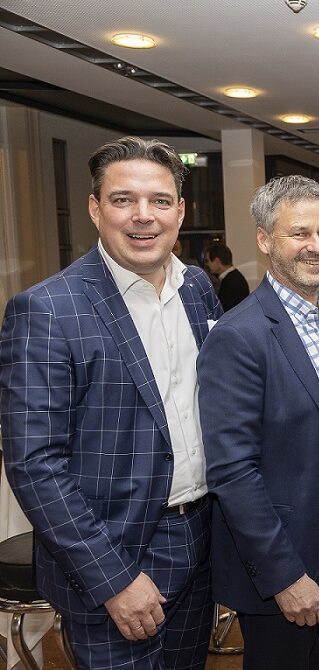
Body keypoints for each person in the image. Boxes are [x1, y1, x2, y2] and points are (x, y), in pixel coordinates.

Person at [0, 136, 221, 669]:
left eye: (160, 201)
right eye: (123, 199)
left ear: (180, 211)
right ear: (95, 209)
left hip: (200, 539)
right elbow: (35, 464)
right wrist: (113, 579)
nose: (144, 215)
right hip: (114, 559)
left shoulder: (197, 289)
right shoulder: (47, 310)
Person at [198, 175, 319, 670]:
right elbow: (233, 472)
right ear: (264, 240)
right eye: (299, 233)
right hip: (282, 549)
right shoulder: (239, 335)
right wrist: (284, 575)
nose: (316, 246)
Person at [204, 242, 250, 311]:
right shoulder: (233, 278)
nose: (207, 264)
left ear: (217, 261)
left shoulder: (232, 282)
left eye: (208, 261)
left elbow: (224, 310)